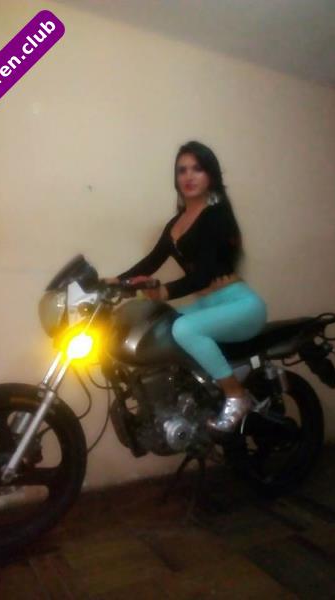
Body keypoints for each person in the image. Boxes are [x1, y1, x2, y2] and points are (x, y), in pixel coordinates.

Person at [106, 141, 267, 433]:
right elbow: (152, 261)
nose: (189, 176)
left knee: (184, 329)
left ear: (210, 176)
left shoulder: (217, 215)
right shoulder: (176, 224)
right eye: (182, 170)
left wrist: (164, 292)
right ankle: (195, 398)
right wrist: (115, 282)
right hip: (209, 305)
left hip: (240, 305)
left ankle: (235, 394)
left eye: (197, 169)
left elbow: (204, 275)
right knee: (161, 329)